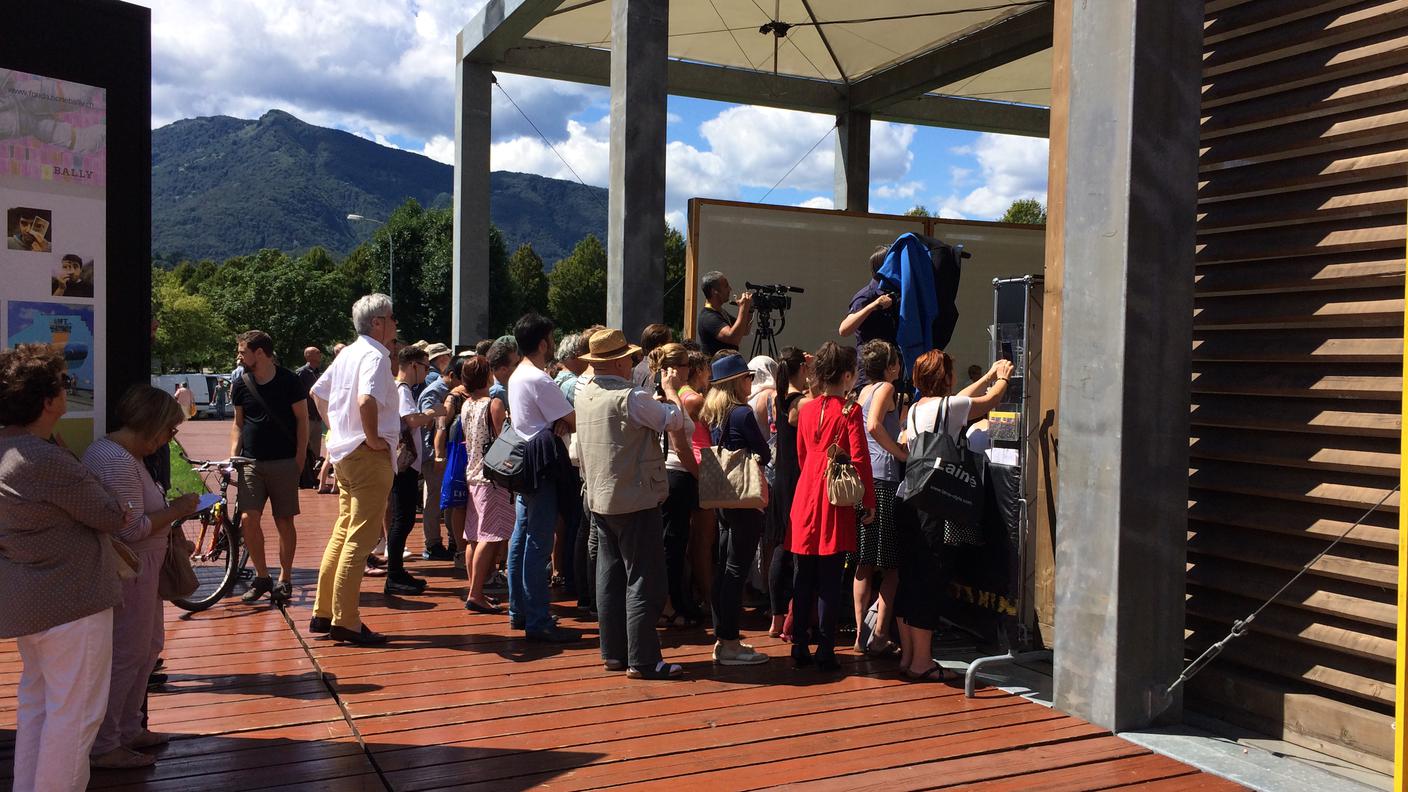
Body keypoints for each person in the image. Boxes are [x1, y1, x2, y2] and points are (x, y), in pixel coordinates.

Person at [0, 344, 128, 792]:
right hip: (72, 603)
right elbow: (112, 514)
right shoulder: (45, 461)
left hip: (27, 602)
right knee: (75, 720)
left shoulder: (7, 452)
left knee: (37, 707)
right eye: (62, 386)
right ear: (49, 401)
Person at [82, 386, 200, 770]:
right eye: (169, 431)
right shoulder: (117, 461)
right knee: (128, 652)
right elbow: (131, 530)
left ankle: (129, 728)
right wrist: (179, 509)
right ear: (151, 425)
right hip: (132, 567)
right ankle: (105, 744)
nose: (170, 439)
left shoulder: (117, 455)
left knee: (146, 647)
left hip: (141, 567)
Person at [575, 328, 689, 679]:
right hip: (636, 498)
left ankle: (613, 653)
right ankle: (643, 659)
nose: (633, 362)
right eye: (629, 357)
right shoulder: (631, 398)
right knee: (645, 579)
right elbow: (674, 421)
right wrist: (672, 393)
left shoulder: (585, 394)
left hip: (600, 498)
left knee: (609, 577)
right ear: (620, 361)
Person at [895, 350, 1012, 681]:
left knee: (910, 577)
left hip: (909, 498)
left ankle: (908, 657)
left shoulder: (918, 409)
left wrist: (987, 374)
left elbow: (960, 399)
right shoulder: (952, 409)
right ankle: (923, 662)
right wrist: (1002, 377)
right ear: (944, 377)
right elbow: (988, 402)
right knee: (930, 579)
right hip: (935, 503)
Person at [307, 294, 399, 645]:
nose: (394, 322)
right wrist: (373, 438)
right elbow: (365, 399)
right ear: (377, 322)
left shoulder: (347, 353)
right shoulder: (376, 356)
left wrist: (337, 430)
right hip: (366, 456)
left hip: (345, 454)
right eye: (391, 317)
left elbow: (318, 393)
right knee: (360, 540)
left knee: (343, 532)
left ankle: (324, 611)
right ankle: (346, 620)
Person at [789, 342, 876, 671]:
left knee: (803, 574)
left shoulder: (806, 407)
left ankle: (799, 643)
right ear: (847, 375)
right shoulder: (849, 411)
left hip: (806, 490)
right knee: (829, 576)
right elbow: (859, 459)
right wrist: (868, 499)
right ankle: (825, 647)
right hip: (833, 495)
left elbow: (800, 454)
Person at [506, 313, 579, 643]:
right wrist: (560, 422)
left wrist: (557, 421)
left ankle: (519, 610)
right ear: (541, 343)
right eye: (550, 339)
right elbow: (572, 418)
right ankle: (537, 619)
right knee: (539, 541)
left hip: (524, 462)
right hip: (543, 465)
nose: (552, 344)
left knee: (521, 538)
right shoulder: (539, 379)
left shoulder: (518, 376)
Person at [229, 330, 309, 605]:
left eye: (242, 351)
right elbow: (238, 423)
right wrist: (233, 456)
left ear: (259, 353)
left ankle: (284, 578)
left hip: (284, 461)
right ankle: (262, 576)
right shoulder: (240, 383)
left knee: (284, 520)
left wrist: (300, 459)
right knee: (249, 519)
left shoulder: (289, 381)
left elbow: (302, 420)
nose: (239, 356)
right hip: (250, 462)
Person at [701, 354, 772, 665]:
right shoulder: (742, 414)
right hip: (744, 499)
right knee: (735, 571)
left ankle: (723, 637)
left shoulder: (714, 412)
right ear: (736, 382)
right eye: (748, 378)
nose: (751, 382)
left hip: (723, 499)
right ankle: (729, 642)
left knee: (724, 569)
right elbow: (764, 452)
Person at [853, 340, 907, 654]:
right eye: (896, 361)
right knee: (891, 566)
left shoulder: (862, 391)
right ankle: (880, 635)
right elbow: (874, 425)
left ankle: (860, 635)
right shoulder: (885, 388)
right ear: (889, 367)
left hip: (863, 478)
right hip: (883, 478)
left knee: (863, 562)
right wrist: (898, 452)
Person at [650, 343, 706, 628]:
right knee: (672, 545)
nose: (690, 370)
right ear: (675, 369)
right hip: (676, 474)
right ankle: (670, 604)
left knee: (676, 543)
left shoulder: (665, 397)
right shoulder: (669, 399)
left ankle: (677, 600)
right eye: (686, 365)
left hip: (672, 473)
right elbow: (680, 445)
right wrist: (699, 475)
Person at [387, 346, 445, 595]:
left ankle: (397, 572)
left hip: (405, 464)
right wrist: (433, 413)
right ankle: (394, 575)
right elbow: (410, 419)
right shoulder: (402, 390)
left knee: (405, 518)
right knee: (403, 519)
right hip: (404, 465)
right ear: (413, 366)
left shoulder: (403, 389)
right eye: (425, 366)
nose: (427, 371)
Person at [459, 357, 513, 613]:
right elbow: (503, 437)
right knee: (490, 537)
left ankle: (474, 588)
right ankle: (476, 593)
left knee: (474, 536)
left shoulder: (466, 405)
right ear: (488, 376)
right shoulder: (494, 403)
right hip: (492, 476)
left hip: (472, 473)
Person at [767, 347, 810, 638]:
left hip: (781, 474)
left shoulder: (777, 397)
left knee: (781, 545)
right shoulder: (803, 402)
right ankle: (793, 618)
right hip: (797, 475)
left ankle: (776, 616)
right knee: (794, 548)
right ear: (802, 369)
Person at [837, 246, 899, 386]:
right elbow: (844, 329)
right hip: (870, 375)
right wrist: (873, 305)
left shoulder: (895, 294)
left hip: (891, 370)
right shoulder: (867, 295)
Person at [417, 343, 456, 562]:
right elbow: (431, 425)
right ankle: (432, 544)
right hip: (433, 455)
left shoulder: (439, 390)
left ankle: (437, 542)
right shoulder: (435, 392)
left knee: (436, 499)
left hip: (437, 454)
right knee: (433, 500)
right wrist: (438, 454)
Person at [435, 358, 471, 571]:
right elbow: (441, 425)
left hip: (471, 453)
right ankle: (459, 548)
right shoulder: (455, 397)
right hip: (458, 453)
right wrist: (440, 454)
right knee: (457, 502)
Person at [696, 270, 753, 356]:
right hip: (717, 368)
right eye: (726, 286)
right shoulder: (708, 317)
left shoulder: (720, 312)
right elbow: (733, 338)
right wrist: (743, 309)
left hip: (728, 366)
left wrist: (749, 309)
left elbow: (744, 330)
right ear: (714, 291)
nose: (730, 289)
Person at [295, 346, 326, 488]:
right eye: (317, 352)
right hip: (307, 417)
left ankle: (312, 477)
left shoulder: (319, 373)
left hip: (317, 417)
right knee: (303, 448)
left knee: (315, 450)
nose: (320, 355)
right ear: (308, 356)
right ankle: (300, 477)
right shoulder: (302, 373)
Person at [632, 323, 672, 388]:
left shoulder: (639, 367)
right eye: (670, 342)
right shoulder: (657, 370)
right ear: (660, 346)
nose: (671, 346)